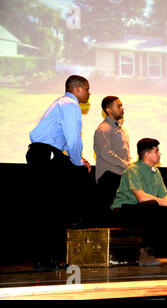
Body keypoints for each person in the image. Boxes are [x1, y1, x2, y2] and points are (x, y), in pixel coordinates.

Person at [26, 75, 92, 270]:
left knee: (47, 208)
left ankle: (46, 259)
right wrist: (78, 160)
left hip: (43, 154)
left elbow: (63, 141)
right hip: (46, 154)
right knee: (52, 207)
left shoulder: (60, 103)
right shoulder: (70, 104)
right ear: (78, 89)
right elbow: (73, 139)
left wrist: (77, 158)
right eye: (88, 89)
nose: (90, 93)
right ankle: (48, 258)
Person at [111, 138, 167, 265]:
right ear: (147, 154)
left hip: (144, 207)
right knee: (151, 206)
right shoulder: (133, 170)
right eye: (156, 151)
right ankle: (145, 253)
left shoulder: (156, 172)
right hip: (124, 209)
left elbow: (164, 196)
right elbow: (141, 197)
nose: (160, 154)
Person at [94, 96, 130, 214]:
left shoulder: (119, 127)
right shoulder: (103, 129)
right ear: (108, 110)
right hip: (109, 177)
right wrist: (126, 164)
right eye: (118, 106)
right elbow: (105, 153)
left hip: (120, 176)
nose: (122, 108)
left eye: (121, 106)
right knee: (108, 213)